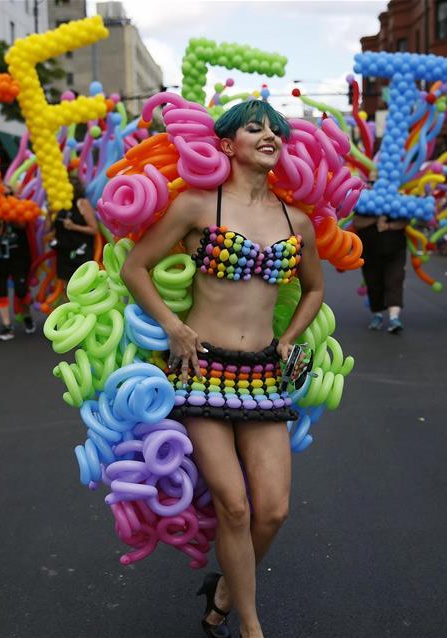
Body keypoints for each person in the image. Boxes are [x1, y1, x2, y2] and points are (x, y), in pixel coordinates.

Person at [121, 100, 323, 638]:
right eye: (254, 128)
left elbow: (315, 288)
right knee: (234, 507)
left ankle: (225, 589)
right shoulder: (195, 207)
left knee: (273, 510)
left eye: (276, 130)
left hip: (264, 379)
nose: (268, 136)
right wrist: (173, 326)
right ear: (227, 145)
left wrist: (289, 337)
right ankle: (249, 626)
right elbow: (134, 267)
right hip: (202, 370)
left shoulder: (293, 219)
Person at [0, 188, 35, 341]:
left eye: (8, 195)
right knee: (1, 291)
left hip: (19, 257)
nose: (5, 198)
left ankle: (26, 314)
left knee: (21, 291)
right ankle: (7, 325)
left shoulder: (19, 210)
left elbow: (22, 225)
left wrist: (9, 215)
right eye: (2, 195)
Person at [353, 213, 408, 333]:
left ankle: (394, 318)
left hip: (395, 250)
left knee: (395, 280)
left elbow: (405, 221)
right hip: (370, 250)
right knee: (373, 283)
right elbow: (357, 222)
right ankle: (377, 315)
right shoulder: (365, 203)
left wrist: (389, 225)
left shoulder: (398, 200)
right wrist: (376, 218)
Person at [53, 175, 97, 296]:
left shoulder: (82, 203)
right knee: (67, 288)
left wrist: (74, 227)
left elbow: (94, 229)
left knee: (83, 286)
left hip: (80, 252)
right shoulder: (59, 204)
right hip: (63, 252)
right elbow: (49, 228)